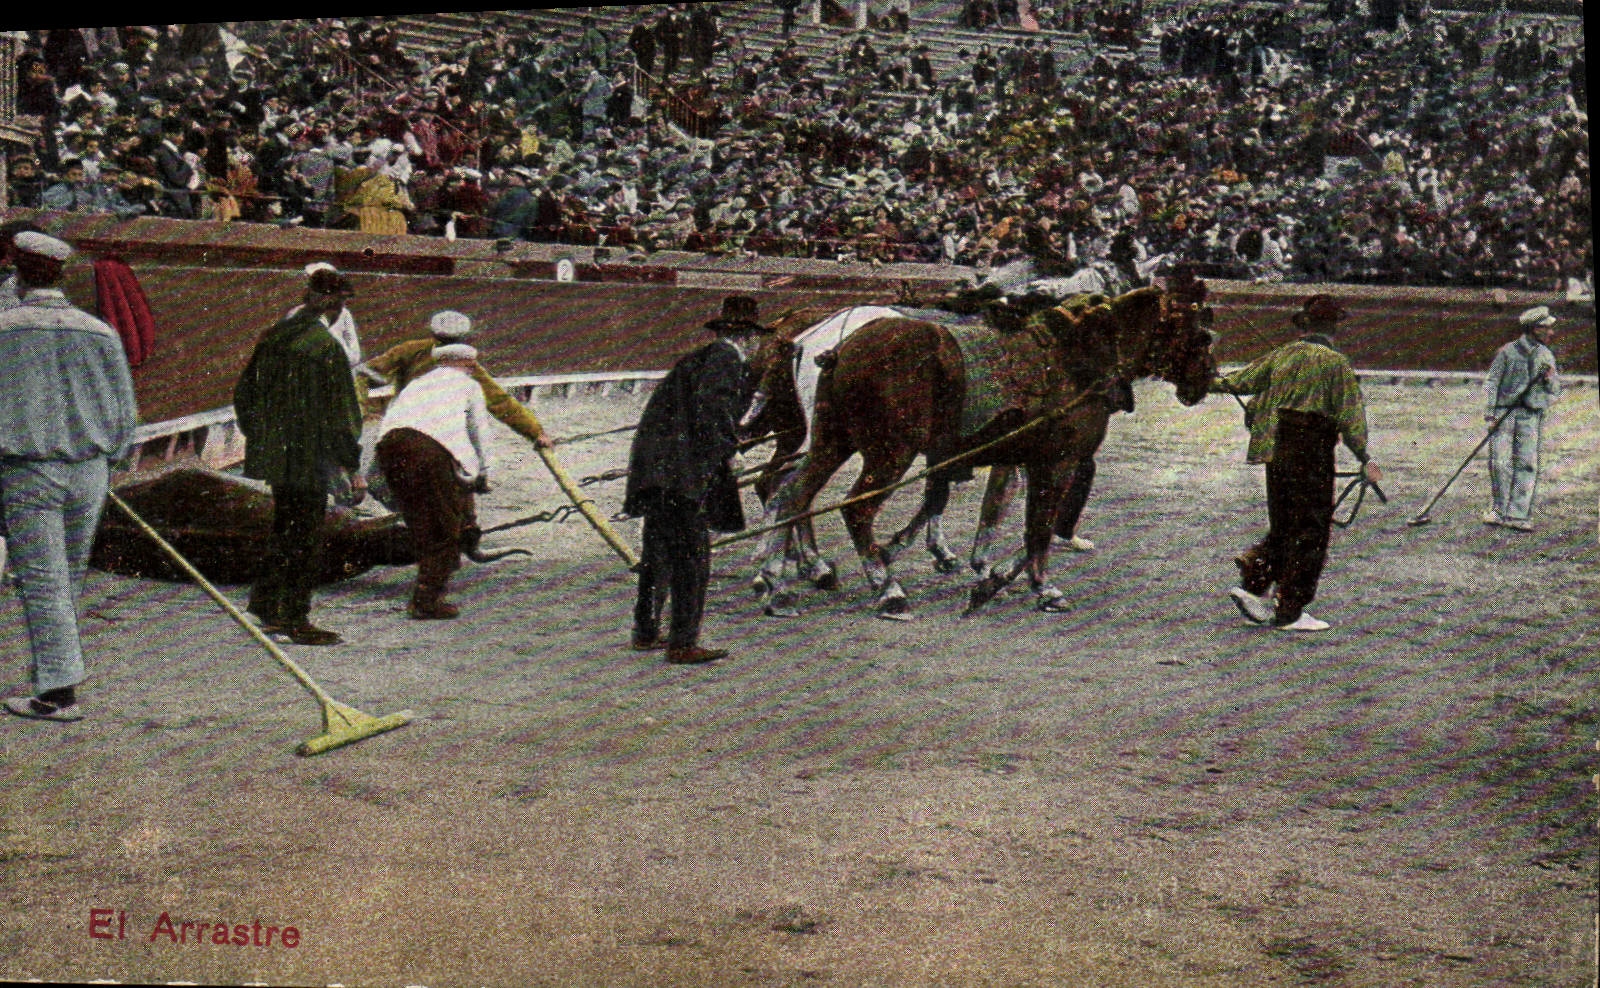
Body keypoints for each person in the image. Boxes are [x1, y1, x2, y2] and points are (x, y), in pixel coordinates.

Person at [1, 233, 139, 721]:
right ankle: (54, 676)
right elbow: (125, 411)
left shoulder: (4, 328)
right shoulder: (98, 331)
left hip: (30, 470)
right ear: (61, 275)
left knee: (44, 582)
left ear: (18, 274)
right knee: (68, 577)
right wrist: (111, 459)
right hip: (90, 471)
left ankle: (57, 694)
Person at [1213, 294, 1381, 632]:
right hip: (1311, 449)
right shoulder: (1336, 364)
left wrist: (1207, 377)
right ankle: (1290, 610)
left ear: (1304, 324)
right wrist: (1365, 458)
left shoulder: (1282, 354)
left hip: (1275, 447)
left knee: (1284, 522)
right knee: (1311, 529)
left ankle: (1253, 585)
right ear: (1334, 326)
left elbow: (1238, 382)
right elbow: (1351, 418)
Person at [623, 295, 769, 664]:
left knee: (658, 554)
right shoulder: (726, 358)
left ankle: (645, 632)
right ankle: (683, 643)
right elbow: (713, 409)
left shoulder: (697, 358)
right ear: (748, 336)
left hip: (657, 471)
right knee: (692, 559)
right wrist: (729, 449)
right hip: (683, 476)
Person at [232, 268, 366, 646]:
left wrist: (263, 439)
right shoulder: (326, 347)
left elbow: (244, 395)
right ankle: (294, 618)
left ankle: (265, 606)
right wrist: (352, 466)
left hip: (277, 454)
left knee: (283, 529)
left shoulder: (275, 336)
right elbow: (342, 416)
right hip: (310, 456)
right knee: (305, 536)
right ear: (334, 303)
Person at [374, 343, 492, 619]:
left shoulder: (416, 384)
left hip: (390, 446)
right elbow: (479, 431)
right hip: (428, 451)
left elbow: (388, 424)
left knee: (420, 521)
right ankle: (426, 600)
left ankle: (433, 580)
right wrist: (484, 473)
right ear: (469, 365)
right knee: (443, 526)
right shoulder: (470, 385)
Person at [1482, 306, 1561, 532]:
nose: (1551, 333)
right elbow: (1492, 382)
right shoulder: (1507, 352)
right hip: (1504, 414)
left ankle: (1518, 514)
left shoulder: (1546, 355)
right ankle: (1499, 510)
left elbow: (1555, 388)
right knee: (1500, 462)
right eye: (1547, 328)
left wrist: (1548, 379)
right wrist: (1490, 414)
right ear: (1535, 329)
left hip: (1530, 415)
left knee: (1527, 463)